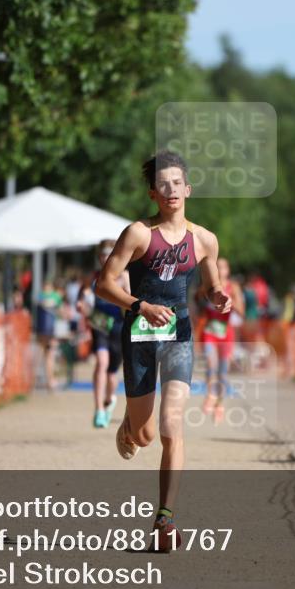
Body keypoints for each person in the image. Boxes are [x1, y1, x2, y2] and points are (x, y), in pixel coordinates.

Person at [96, 150, 231, 552]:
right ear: (152, 193)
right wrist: (140, 305)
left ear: (188, 189)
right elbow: (103, 284)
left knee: (172, 426)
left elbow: (211, 286)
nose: (170, 189)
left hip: (179, 336)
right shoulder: (138, 233)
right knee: (145, 435)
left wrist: (218, 297)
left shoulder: (204, 239)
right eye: (162, 184)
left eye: (177, 182)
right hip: (138, 334)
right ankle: (130, 423)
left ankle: (164, 519)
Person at [79, 240, 130, 429]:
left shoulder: (124, 275)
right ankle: (99, 408)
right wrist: (81, 305)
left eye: (108, 253)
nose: (105, 257)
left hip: (119, 326)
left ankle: (110, 399)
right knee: (101, 362)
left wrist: (125, 288)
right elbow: (83, 297)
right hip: (99, 325)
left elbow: (132, 299)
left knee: (112, 372)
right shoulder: (93, 277)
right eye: (102, 254)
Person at [200, 257, 245, 424]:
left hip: (226, 334)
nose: (220, 271)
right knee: (210, 365)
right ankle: (211, 395)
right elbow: (197, 303)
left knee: (222, 372)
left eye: (223, 267)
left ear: (228, 270)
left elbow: (241, 312)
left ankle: (219, 404)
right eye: (217, 267)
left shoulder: (233, 287)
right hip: (209, 332)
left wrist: (230, 301)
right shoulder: (207, 286)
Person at [35, 279, 63, 392]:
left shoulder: (39, 297)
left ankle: (37, 379)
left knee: (41, 354)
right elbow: (61, 311)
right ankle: (50, 380)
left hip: (41, 331)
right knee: (50, 356)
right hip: (51, 331)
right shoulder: (56, 296)